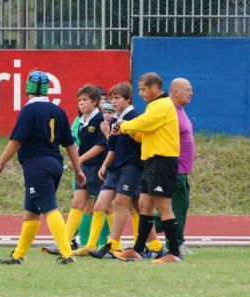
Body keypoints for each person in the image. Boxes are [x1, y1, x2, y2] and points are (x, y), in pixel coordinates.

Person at [0, 71, 86, 265]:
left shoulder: (29, 110)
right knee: (31, 212)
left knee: (49, 208)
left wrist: (1, 162)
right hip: (54, 164)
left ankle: (67, 253)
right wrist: (78, 170)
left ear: (27, 89)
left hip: (37, 166)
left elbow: (16, 140)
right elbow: (70, 144)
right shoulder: (58, 111)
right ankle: (18, 255)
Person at [85, 83, 164, 259]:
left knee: (119, 204)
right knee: (106, 206)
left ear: (128, 99)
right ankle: (157, 246)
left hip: (132, 168)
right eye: (111, 98)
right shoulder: (116, 120)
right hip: (116, 169)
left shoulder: (136, 117)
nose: (113, 101)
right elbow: (112, 146)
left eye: (117, 98)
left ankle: (112, 246)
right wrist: (105, 165)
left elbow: (143, 141)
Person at [112, 73, 182, 263]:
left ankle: (174, 253)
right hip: (151, 161)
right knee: (144, 205)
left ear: (154, 88)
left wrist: (124, 126)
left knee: (163, 206)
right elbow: (146, 132)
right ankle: (138, 250)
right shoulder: (154, 106)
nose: (140, 93)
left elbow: (145, 123)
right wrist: (133, 132)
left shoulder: (163, 105)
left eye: (143, 89)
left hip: (163, 160)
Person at [63, 85, 107, 249]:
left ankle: (112, 244)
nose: (80, 103)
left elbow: (100, 146)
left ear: (95, 102)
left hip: (98, 169)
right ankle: (64, 243)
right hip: (84, 169)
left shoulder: (100, 119)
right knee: (77, 203)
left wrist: (78, 159)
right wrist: (77, 160)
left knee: (105, 207)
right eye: (79, 100)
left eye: (84, 100)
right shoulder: (82, 120)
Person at [169, 78, 195, 254]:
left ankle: (176, 240)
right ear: (175, 91)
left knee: (179, 206)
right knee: (177, 206)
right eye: (188, 89)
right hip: (174, 169)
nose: (191, 92)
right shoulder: (169, 111)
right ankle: (176, 243)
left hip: (182, 170)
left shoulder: (180, 110)